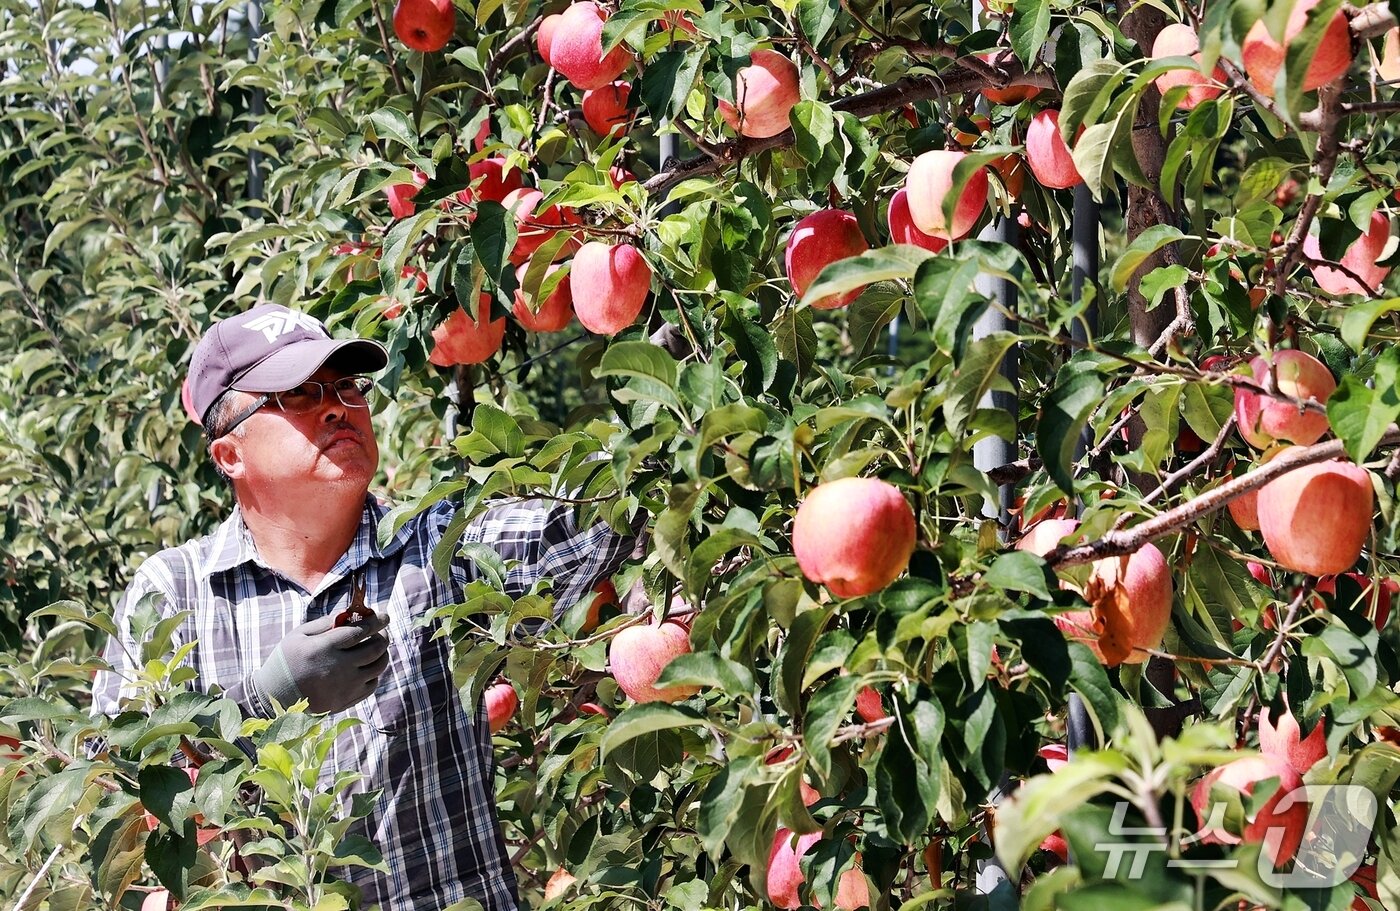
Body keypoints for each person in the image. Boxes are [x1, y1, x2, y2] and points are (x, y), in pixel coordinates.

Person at [91, 304, 637, 910]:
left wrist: (657, 413)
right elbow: (114, 799)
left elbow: (587, 526)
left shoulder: (438, 544)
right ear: (230, 456)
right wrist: (264, 702)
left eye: (347, 386)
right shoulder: (177, 593)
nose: (337, 407)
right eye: (298, 394)